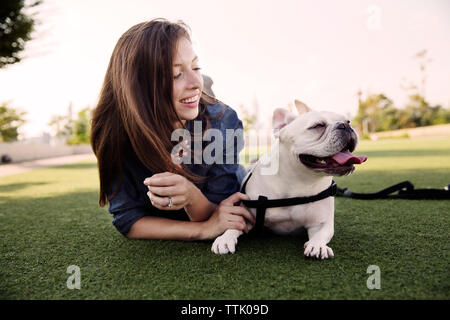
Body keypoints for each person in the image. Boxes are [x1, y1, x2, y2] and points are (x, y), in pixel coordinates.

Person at [90, 19, 255, 241]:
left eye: (196, 67)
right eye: (176, 74)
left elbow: (223, 209)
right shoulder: (114, 131)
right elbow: (128, 219)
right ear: (139, 86)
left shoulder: (223, 120)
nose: (195, 82)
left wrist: (191, 197)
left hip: (232, 183)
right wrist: (202, 231)